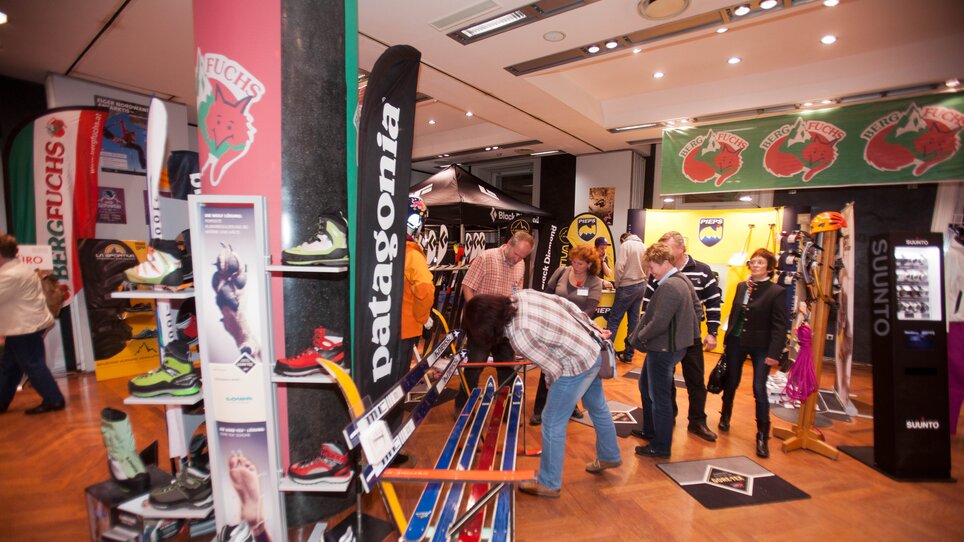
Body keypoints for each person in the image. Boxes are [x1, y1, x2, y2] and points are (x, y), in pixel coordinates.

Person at [463, 291, 621, 498]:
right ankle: (610, 454)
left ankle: (549, 482)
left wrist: (551, 385)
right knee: (597, 405)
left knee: (552, 420)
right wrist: (594, 329)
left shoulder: (519, 334)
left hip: (576, 364)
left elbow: (553, 367)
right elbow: (566, 305)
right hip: (592, 349)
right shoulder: (521, 296)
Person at [640, 231, 722, 442]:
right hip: (664, 339)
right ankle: (669, 417)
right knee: (663, 380)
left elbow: (713, 302)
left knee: (695, 380)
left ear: (680, 248)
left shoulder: (702, 271)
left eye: (667, 247)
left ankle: (697, 421)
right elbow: (648, 305)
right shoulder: (657, 273)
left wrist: (712, 332)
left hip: (690, 337)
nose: (664, 252)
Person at [629, 242, 700, 459]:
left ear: (666, 262)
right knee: (646, 387)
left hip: (663, 348)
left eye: (652, 267)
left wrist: (639, 337)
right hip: (666, 347)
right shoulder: (679, 280)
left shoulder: (670, 285)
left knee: (659, 397)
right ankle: (650, 430)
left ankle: (660, 445)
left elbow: (659, 322)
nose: (650, 272)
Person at [720, 248, 788, 458]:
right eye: (753, 262)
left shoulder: (776, 291)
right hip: (736, 341)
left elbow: (779, 325)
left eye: (760, 263)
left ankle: (762, 436)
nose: (755, 265)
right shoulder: (742, 286)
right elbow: (734, 313)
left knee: (759, 388)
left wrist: (774, 352)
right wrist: (727, 340)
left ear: (769, 267)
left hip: (762, 346)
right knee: (731, 380)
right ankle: (725, 415)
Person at [456, 230, 534, 412]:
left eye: (523, 256)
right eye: (516, 254)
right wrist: (476, 313)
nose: (517, 259)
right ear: (509, 244)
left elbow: (517, 292)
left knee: (507, 368)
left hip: (505, 325)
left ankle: (508, 409)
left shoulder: (521, 264)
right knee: (474, 367)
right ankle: (463, 408)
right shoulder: (485, 258)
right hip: (481, 324)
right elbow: (467, 286)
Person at [530, 244, 603, 425]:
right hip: (553, 327)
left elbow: (590, 310)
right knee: (548, 365)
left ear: (589, 265)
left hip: (577, 332)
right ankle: (540, 408)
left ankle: (571, 407)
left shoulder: (594, 282)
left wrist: (572, 322)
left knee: (573, 368)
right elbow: (547, 295)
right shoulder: (562, 271)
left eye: (579, 263)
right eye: (574, 261)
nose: (575, 266)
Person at [0, 232, 66, 414]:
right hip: (22, 326)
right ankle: (2, 400)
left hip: (24, 327)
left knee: (32, 364)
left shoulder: (11, 274)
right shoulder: (18, 269)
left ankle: (54, 400)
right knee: (10, 366)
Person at [392, 197, 436, 466]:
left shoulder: (384, 249)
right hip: (405, 328)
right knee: (396, 389)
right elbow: (425, 288)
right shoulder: (411, 252)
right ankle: (390, 447)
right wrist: (423, 316)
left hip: (379, 328)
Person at [605, 232, 647, 363]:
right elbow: (648, 269)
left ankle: (606, 356)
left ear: (623, 239)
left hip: (626, 286)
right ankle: (629, 355)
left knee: (614, 320)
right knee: (633, 322)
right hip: (641, 286)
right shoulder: (644, 247)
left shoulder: (626, 246)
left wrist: (617, 283)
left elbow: (619, 267)